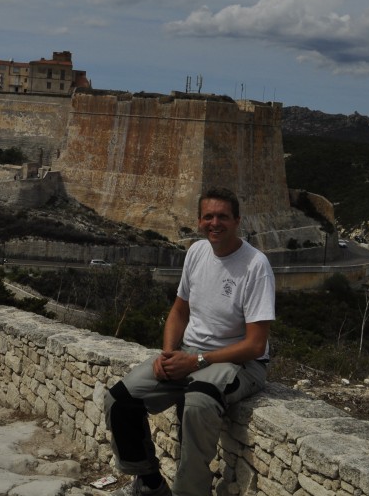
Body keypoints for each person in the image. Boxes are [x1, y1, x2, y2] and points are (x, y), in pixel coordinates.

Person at [104, 187, 276, 496]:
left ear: (237, 221)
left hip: (239, 362)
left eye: (223, 216)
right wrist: (169, 354)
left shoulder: (255, 266)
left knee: (197, 404)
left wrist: (196, 361)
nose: (215, 223)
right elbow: (179, 311)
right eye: (208, 216)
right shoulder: (197, 252)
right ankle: (149, 483)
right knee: (119, 401)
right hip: (189, 353)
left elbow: (256, 345)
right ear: (198, 220)